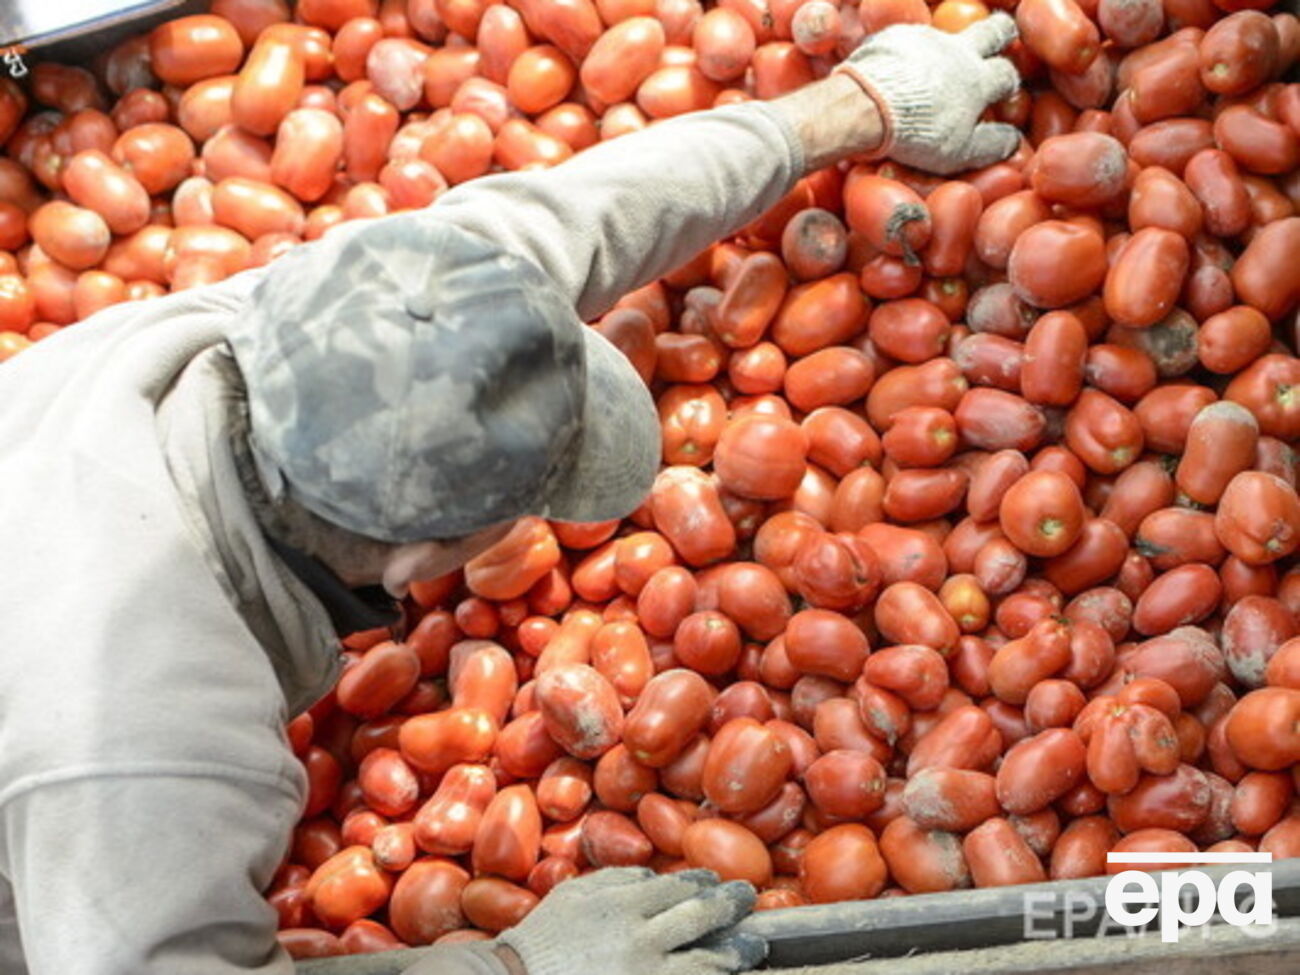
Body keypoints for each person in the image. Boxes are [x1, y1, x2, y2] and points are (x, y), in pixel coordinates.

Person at [0, 15, 1021, 975]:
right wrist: (514, 963)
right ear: (416, 564)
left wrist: (857, 104)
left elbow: (560, 220)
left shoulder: (290, 324)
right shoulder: (138, 751)